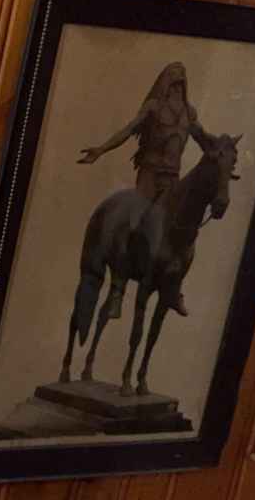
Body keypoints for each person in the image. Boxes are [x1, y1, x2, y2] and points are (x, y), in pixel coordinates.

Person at [78, 62, 215, 315]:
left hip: (172, 179)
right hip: (149, 175)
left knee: (184, 232)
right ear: (165, 83)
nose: (177, 86)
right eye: (173, 81)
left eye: (181, 82)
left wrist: (223, 152)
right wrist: (101, 149)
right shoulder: (153, 107)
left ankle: (173, 290)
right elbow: (129, 130)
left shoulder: (189, 113)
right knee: (135, 224)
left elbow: (205, 140)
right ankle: (117, 290)